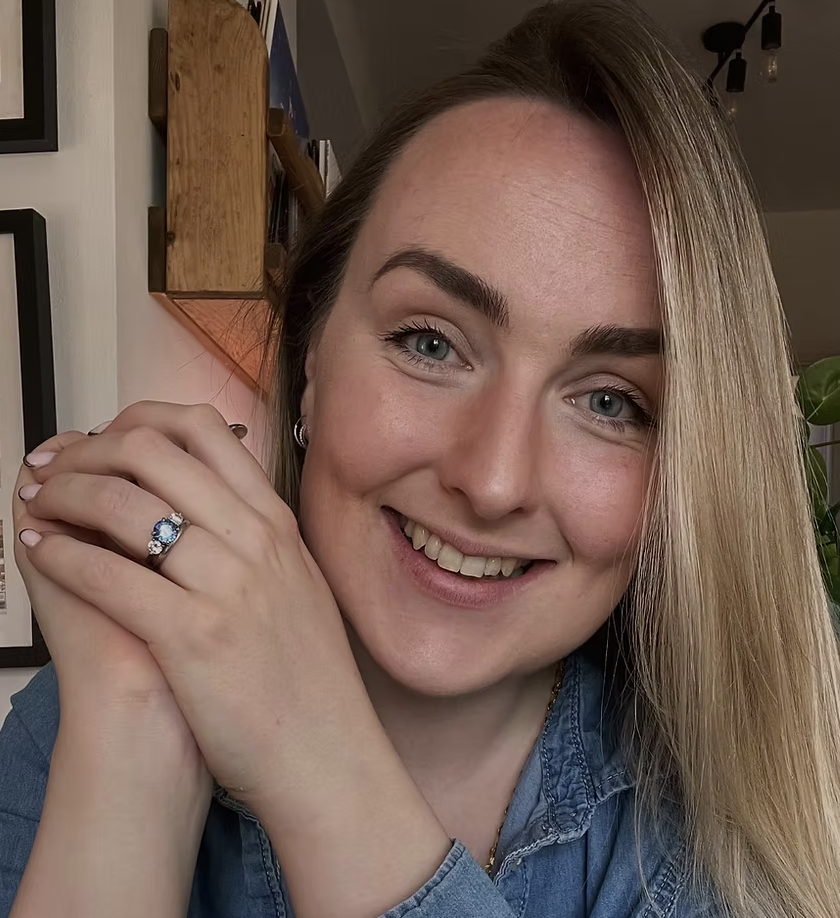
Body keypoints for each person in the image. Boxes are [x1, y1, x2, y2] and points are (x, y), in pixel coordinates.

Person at [2, 1, 839, 916]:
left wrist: (317, 763)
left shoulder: (736, 814)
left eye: (610, 402)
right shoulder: (81, 714)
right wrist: (132, 751)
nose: (491, 481)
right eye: (430, 343)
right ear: (311, 356)